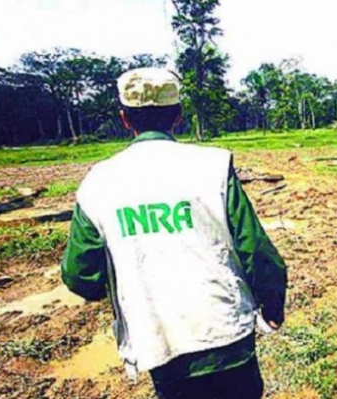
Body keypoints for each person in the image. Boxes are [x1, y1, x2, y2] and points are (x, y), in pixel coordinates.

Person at [61, 67, 287, 399]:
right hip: (227, 335)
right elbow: (256, 251)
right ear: (179, 116)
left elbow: (80, 275)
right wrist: (272, 306)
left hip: (160, 339)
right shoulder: (214, 166)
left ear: (125, 119)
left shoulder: (98, 183)